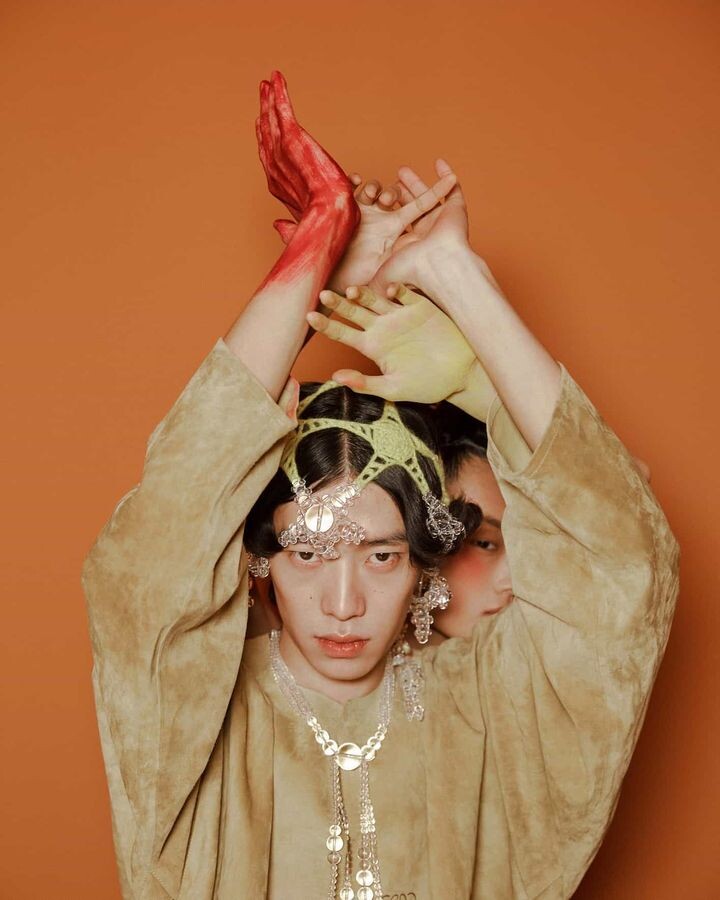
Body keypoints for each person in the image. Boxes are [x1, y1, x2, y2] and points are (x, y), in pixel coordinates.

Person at [82, 71, 680, 899]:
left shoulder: (494, 707)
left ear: (423, 565)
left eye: (381, 556)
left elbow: (621, 562)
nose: (344, 604)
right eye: (308, 554)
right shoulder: (190, 706)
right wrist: (311, 259)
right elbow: (155, 542)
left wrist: (463, 305)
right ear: (261, 563)